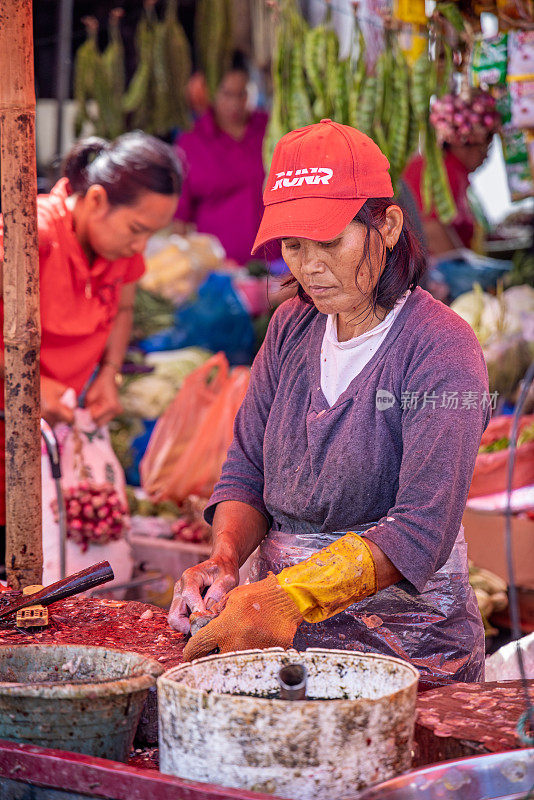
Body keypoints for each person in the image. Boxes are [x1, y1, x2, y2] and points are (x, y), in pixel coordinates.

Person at [168, 120, 491, 690]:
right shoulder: (291, 326)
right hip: (284, 644)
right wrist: (225, 560)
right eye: (293, 245)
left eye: (331, 240)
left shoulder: (440, 347)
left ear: (387, 226)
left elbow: (421, 529)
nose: (310, 266)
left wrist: (285, 596)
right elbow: (247, 472)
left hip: (412, 657)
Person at [0, 131, 182, 566]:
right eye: (137, 230)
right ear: (96, 200)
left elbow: (123, 306)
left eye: (150, 235)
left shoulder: (116, 249)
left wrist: (109, 372)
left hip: (42, 441)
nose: (140, 248)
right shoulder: (31, 234)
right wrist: (29, 384)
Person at [172, 55, 269, 266]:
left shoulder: (268, 129)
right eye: (226, 93)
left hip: (276, 268)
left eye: (241, 94)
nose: (235, 103)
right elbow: (179, 219)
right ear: (210, 91)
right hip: (217, 272)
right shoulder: (190, 143)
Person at [403, 90, 501, 257]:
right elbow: (431, 230)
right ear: (462, 142)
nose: (486, 156)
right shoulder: (446, 171)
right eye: (485, 147)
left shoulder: (451, 170)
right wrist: (466, 273)